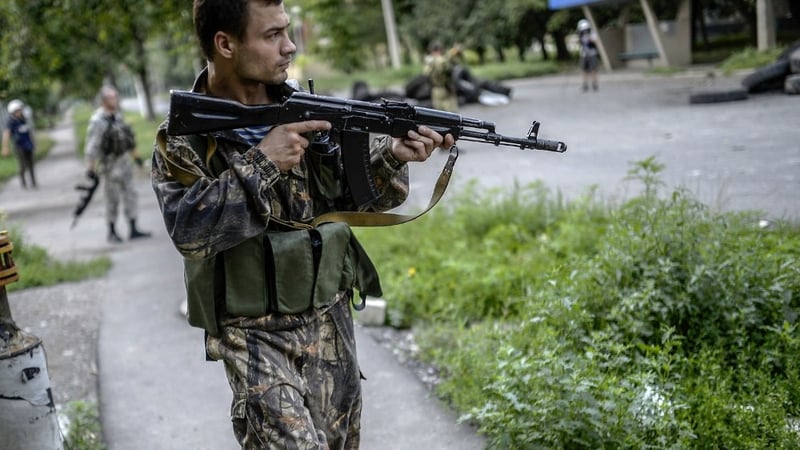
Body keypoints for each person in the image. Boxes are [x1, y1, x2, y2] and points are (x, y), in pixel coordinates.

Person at [150, 1, 455, 448]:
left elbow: (350, 203)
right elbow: (190, 234)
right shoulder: (185, 138)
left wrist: (390, 157)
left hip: (330, 322)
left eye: (287, 32)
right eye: (272, 35)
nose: (289, 46)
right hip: (253, 335)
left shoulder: (306, 110)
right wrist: (262, 162)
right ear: (226, 44)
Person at [84, 85, 151, 243]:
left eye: (115, 97)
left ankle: (133, 227)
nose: (115, 100)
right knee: (111, 199)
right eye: (111, 97)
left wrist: (138, 160)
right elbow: (92, 146)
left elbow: (128, 140)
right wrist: (91, 169)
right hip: (109, 165)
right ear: (104, 100)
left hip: (124, 162)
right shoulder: (98, 121)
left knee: (131, 194)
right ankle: (112, 231)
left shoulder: (118, 116)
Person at [2, 99, 37, 189]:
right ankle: (23, 183)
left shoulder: (24, 120)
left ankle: (33, 182)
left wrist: (34, 142)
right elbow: (6, 134)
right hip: (19, 146)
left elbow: (29, 132)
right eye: (17, 111)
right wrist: (5, 147)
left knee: (31, 164)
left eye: (20, 110)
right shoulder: (11, 122)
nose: (20, 112)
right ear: (13, 112)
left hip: (28, 145)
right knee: (23, 165)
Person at [423, 41, 458, 112]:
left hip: (435, 89)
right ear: (440, 50)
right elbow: (450, 69)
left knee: (439, 114)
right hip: (445, 89)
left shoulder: (428, 61)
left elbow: (426, 75)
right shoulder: (443, 61)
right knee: (451, 113)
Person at [577, 19, 600, 92]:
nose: (584, 31)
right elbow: (578, 43)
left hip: (592, 53)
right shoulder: (580, 34)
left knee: (594, 69)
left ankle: (594, 83)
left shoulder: (592, 33)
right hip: (583, 54)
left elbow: (595, 41)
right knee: (584, 70)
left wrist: (589, 38)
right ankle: (585, 84)